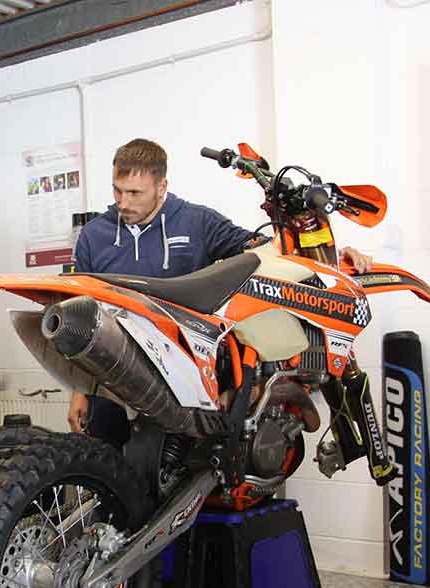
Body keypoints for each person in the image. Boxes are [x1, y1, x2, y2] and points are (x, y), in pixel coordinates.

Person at [67, 138, 375, 449]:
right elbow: (82, 313)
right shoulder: (94, 236)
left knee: (169, 466)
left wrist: (334, 257)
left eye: (134, 193)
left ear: (162, 186)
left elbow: (270, 254)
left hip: (185, 371)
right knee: (107, 463)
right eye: (117, 190)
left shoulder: (198, 221)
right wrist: (79, 389)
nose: (123, 202)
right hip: (114, 371)